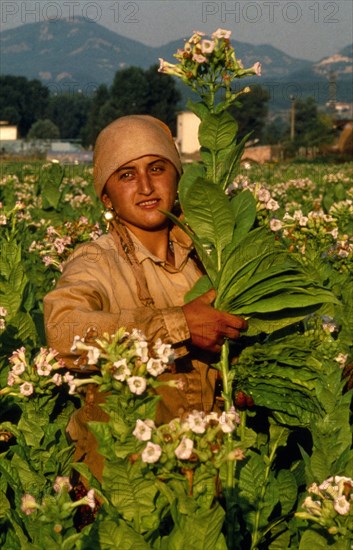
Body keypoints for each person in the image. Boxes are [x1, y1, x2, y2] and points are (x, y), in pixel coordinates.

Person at [43, 114, 247, 480]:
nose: (146, 186)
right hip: (125, 474)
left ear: (177, 177)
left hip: (217, 467)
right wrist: (179, 324)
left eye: (157, 168)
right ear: (106, 195)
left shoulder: (214, 256)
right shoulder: (97, 259)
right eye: (126, 175)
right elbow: (63, 330)